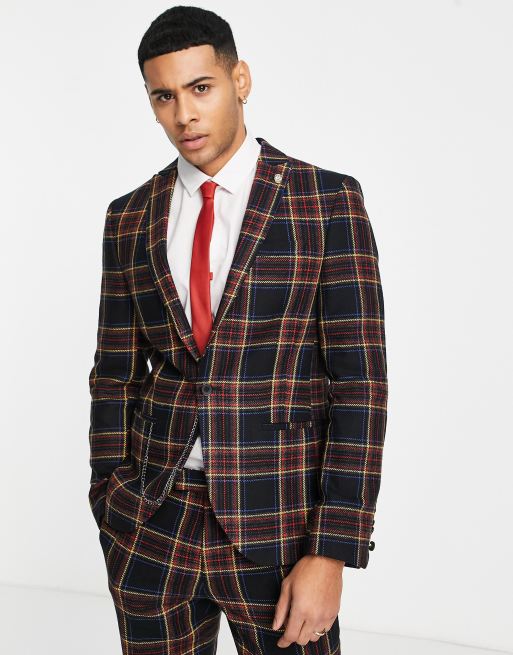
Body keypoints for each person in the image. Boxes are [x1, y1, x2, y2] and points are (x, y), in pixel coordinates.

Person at [88, 5, 388, 654]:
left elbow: (359, 384)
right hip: (152, 521)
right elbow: (114, 374)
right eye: (163, 97)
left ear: (240, 79)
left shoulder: (326, 201)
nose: (183, 114)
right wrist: (110, 495)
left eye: (200, 88)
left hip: (279, 524)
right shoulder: (129, 216)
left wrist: (331, 549)